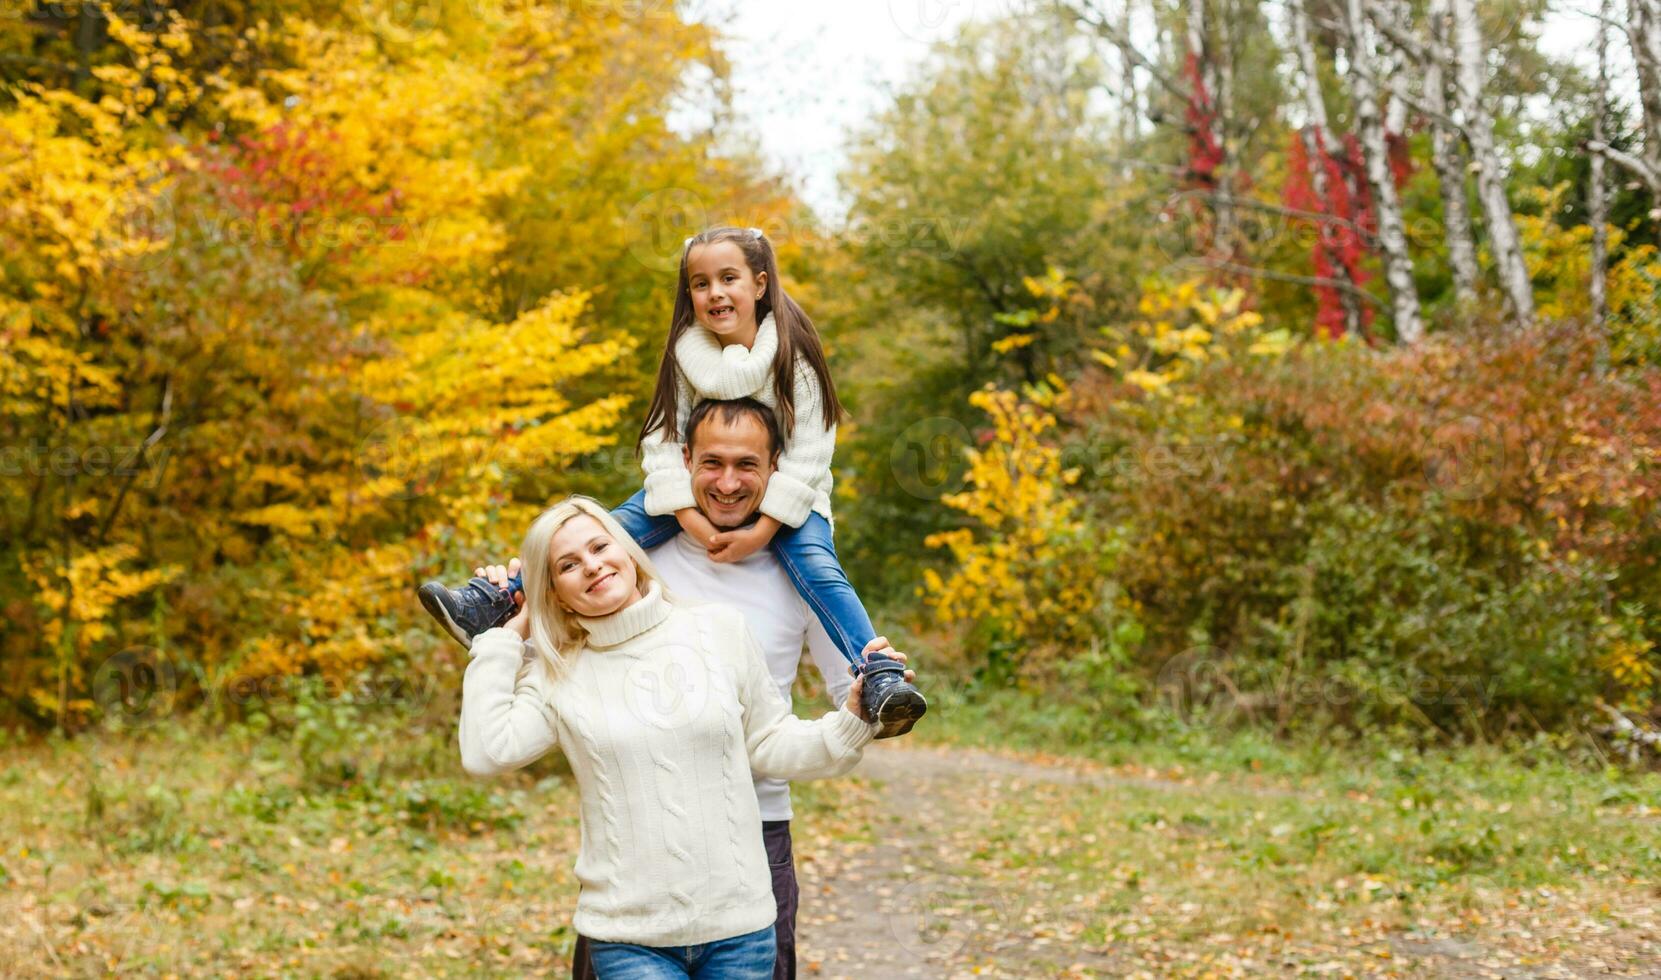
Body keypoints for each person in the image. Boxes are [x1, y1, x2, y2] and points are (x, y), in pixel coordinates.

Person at [420, 225, 925, 737]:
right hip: (686, 496)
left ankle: (877, 672)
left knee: (819, 568)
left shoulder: (793, 354)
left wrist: (763, 530)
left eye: (729, 278)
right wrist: (687, 516)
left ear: (760, 284)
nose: (715, 293)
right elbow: (663, 442)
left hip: (791, 497)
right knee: (604, 532)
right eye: (700, 283)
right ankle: (496, 603)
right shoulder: (687, 354)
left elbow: (811, 452)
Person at [458, 495, 916, 979]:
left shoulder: (718, 629)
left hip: (740, 930)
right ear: (552, 592)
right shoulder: (559, 672)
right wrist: (504, 637)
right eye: (568, 565)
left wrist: (852, 717)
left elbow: (772, 744)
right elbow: (488, 752)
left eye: (599, 546)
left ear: (629, 550)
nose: (592, 567)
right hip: (628, 937)